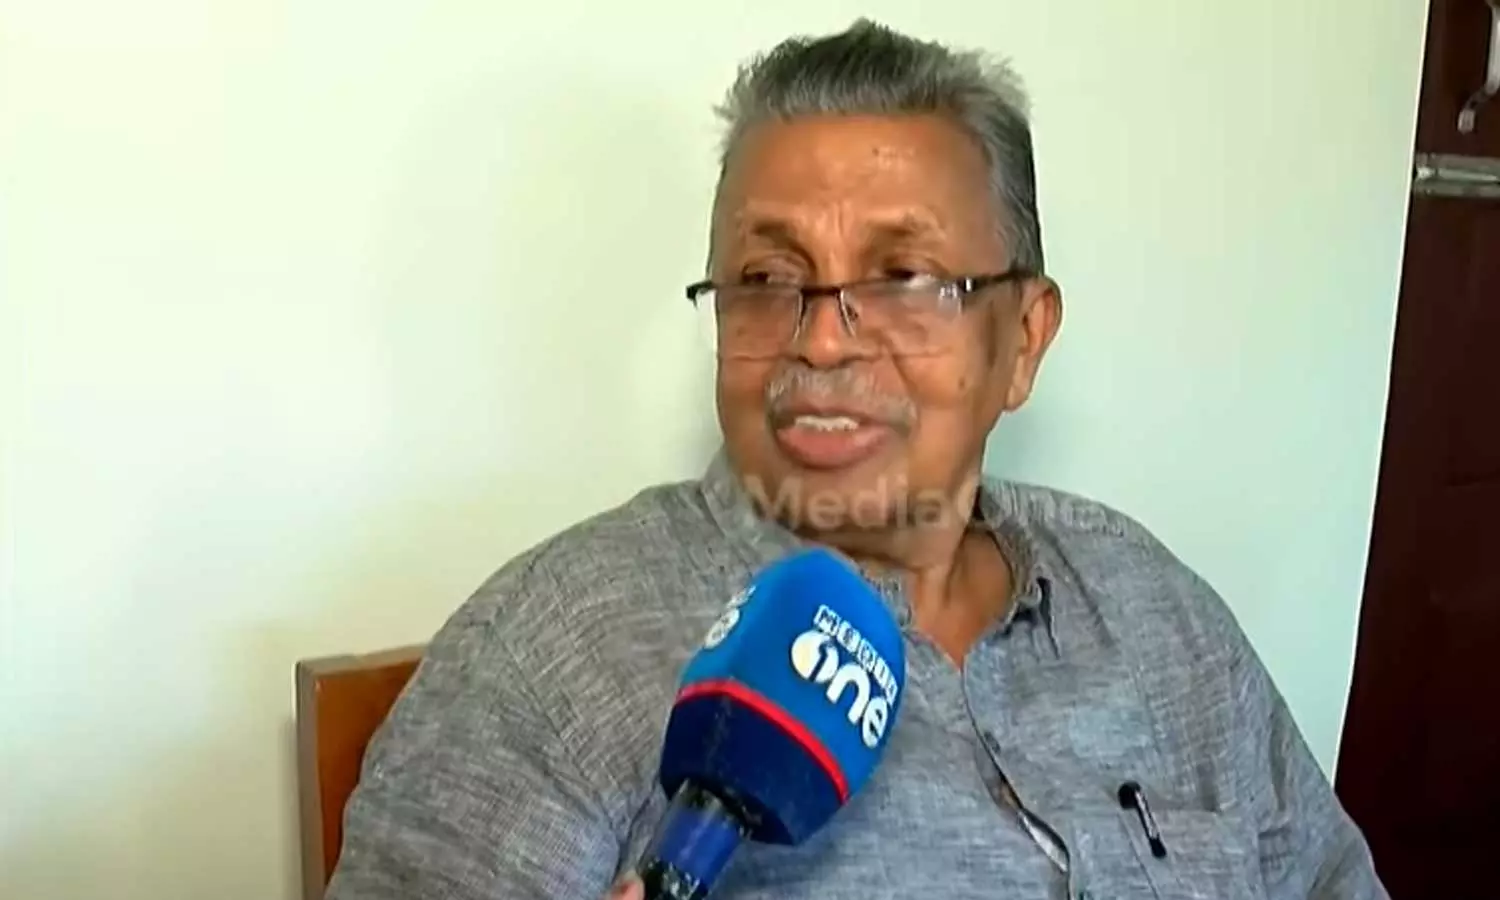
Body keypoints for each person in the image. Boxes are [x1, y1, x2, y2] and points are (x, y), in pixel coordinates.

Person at [324, 19, 1387, 900]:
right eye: (765, 279)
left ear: (1023, 341)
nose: (824, 342)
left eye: (904, 278)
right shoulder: (553, 653)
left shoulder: (1156, 612)